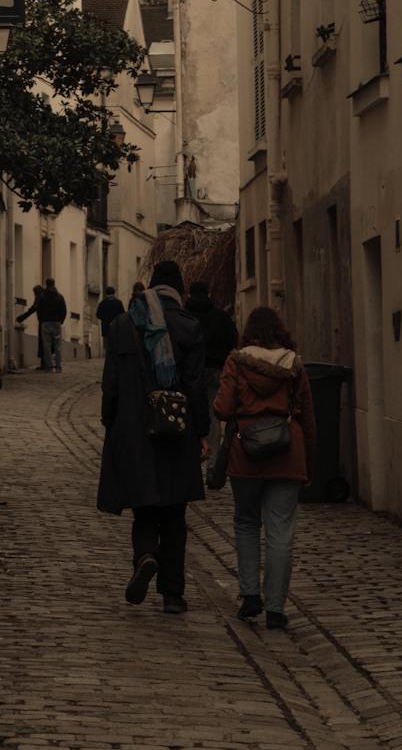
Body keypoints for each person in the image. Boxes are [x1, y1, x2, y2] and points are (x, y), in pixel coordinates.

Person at [97, 259, 210, 615]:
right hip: (177, 431)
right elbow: (196, 387)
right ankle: (174, 595)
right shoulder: (190, 326)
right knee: (175, 513)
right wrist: (203, 432)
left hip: (134, 430)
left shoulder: (121, 325)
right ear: (179, 290)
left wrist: (111, 423)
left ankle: (145, 555)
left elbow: (110, 385)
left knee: (145, 506)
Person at [213, 305, 316, 632]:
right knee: (280, 531)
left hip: (246, 453)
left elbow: (222, 408)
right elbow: (309, 418)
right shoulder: (294, 364)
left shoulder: (237, 361)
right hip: (287, 454)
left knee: (246, 522)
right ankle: (275, 608)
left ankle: (250, 594)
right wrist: (309, 458)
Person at [186, 280, 238, 458]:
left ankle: (192, 457)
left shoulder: (184, 315)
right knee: (213, 416)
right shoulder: (220, 316)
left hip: (190, 371)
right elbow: (232, 340)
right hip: (215, 369)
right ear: (208, 294)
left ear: (189, 294)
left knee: (189, 413)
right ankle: (213, 462)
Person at [35, 277, 66, 372]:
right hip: (56, 323)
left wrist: (41, 320)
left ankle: (49, 367)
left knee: (46, 346)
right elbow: (64, 310)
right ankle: (58, 367)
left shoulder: (42, 296)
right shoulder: (60, 296)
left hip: (45, 323)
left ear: (46, 284)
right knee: (57, 346)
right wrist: (61, 320)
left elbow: (38, 309)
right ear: (54, 283)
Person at [14, 284, 44, 368]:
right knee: (48, 343)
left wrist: (21, 318)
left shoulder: (40, 298)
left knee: (43, 342)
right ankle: (49, 363)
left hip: (43, 322)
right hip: (51, 321)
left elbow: (33, 309)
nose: (34, 294)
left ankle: (44, 363)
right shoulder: (46, 297)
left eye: (35, 293)